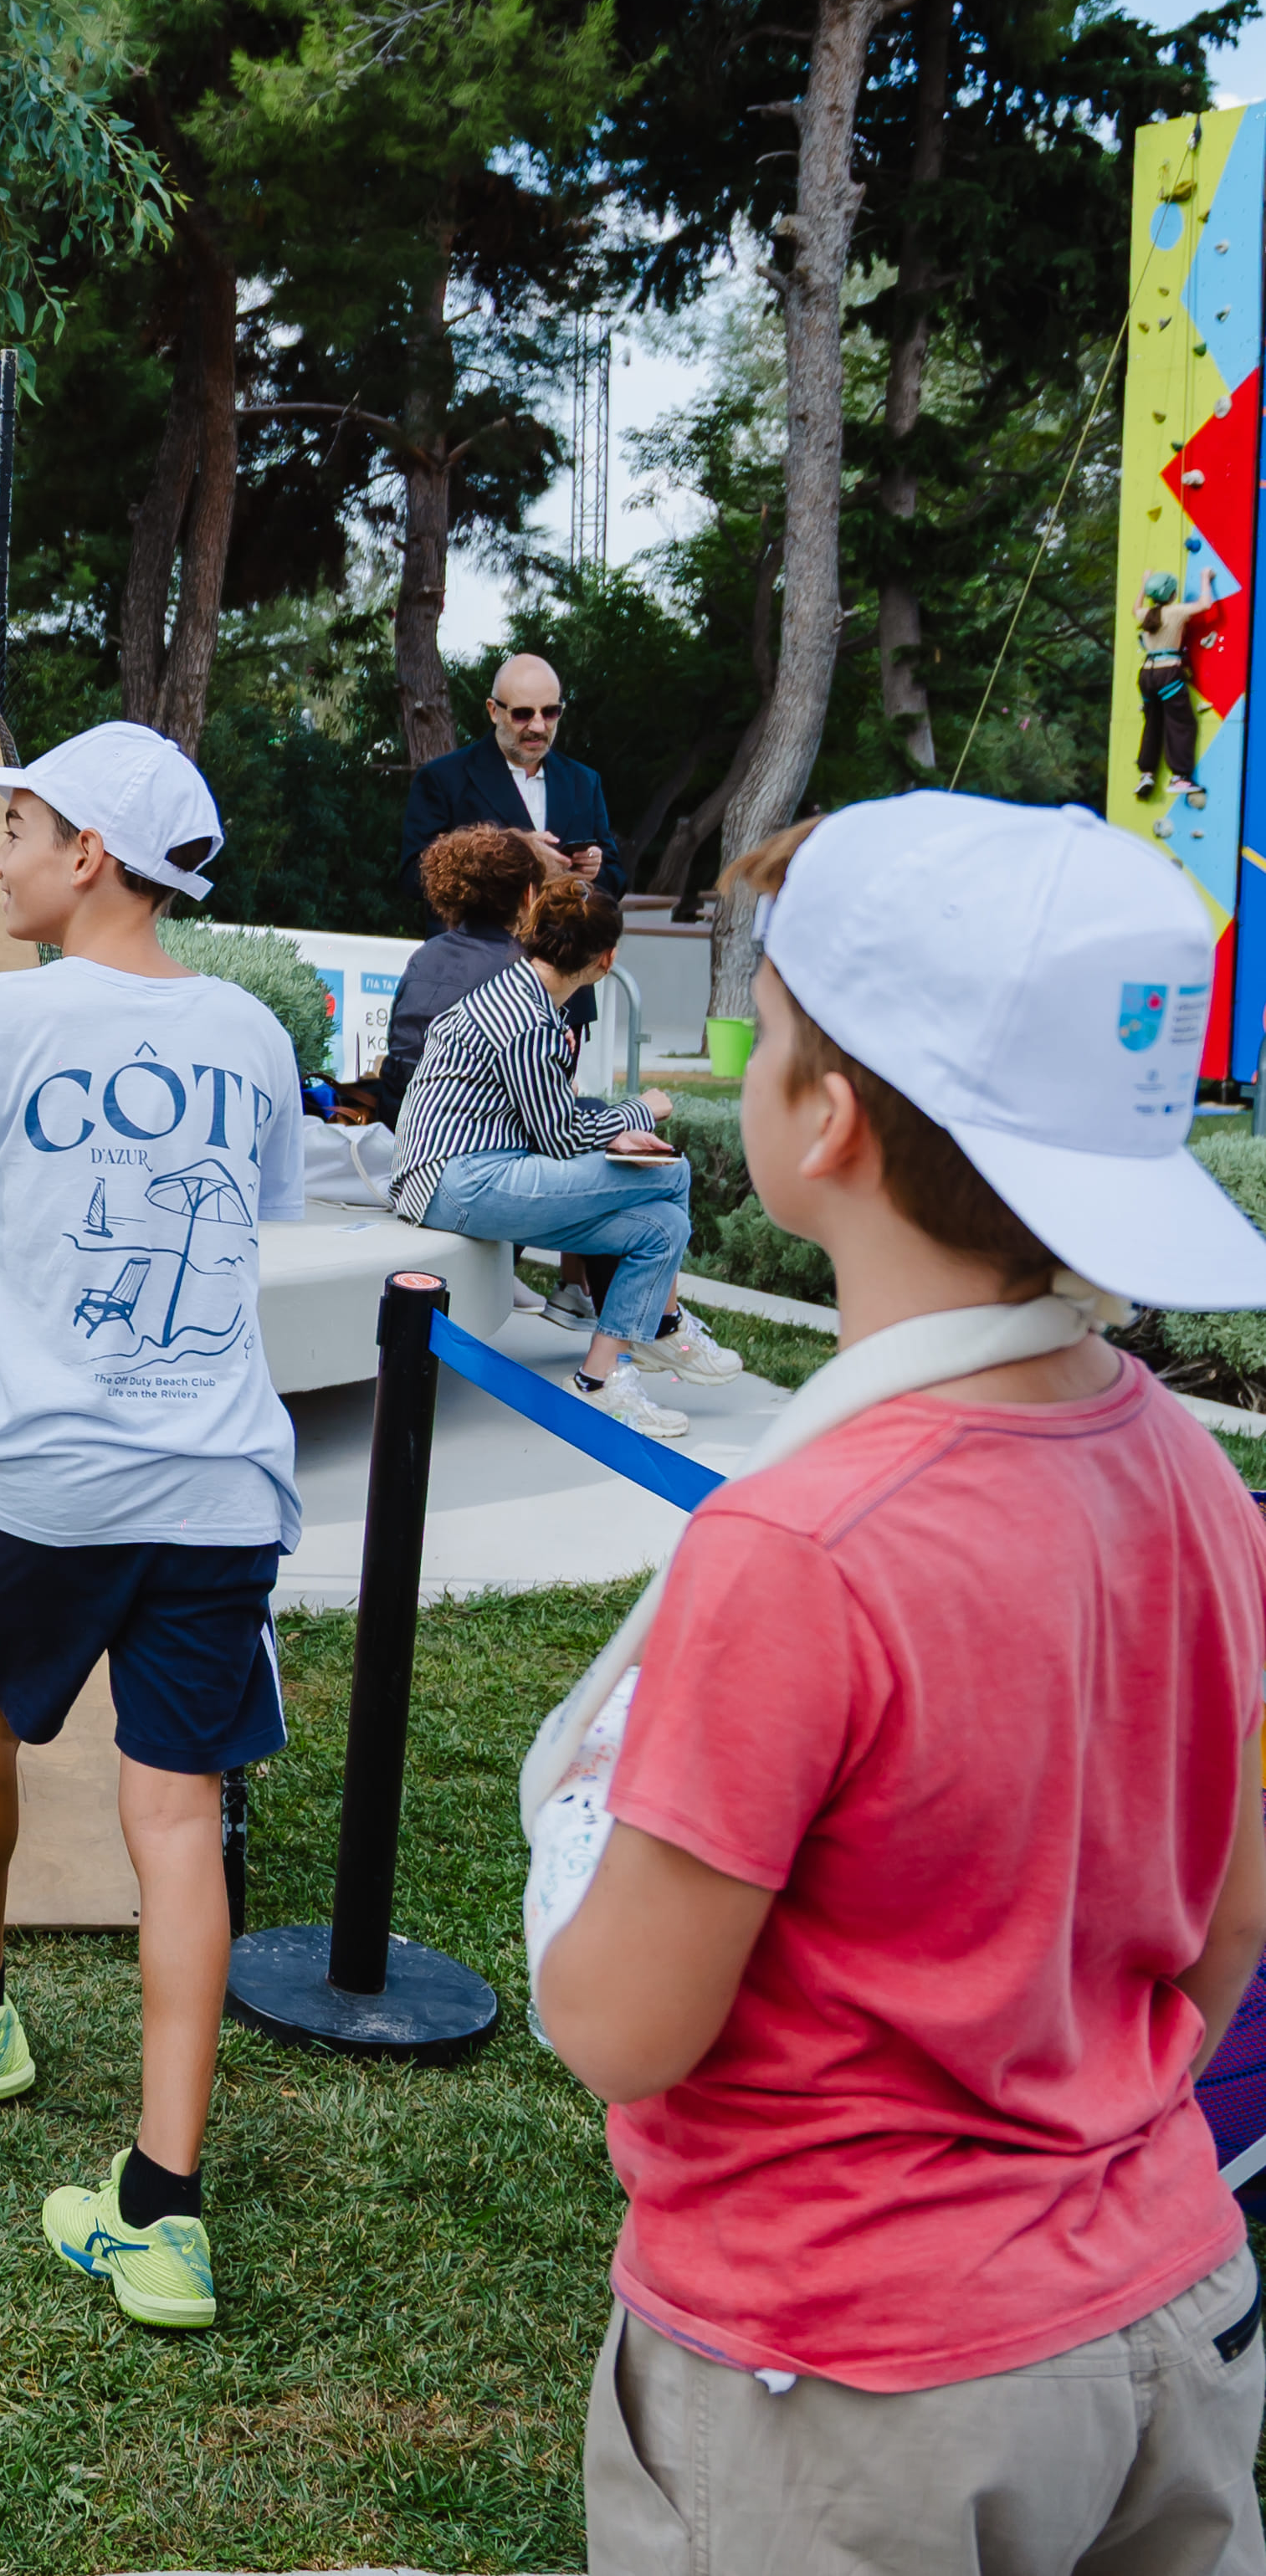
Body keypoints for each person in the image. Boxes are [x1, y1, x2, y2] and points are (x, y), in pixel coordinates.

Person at [533, 791, 1266, 2576]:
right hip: (1163, 2303)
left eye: (763, 1027)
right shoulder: (1198, 1479)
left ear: (825, 1118)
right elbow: (1228, 1925)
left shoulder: (798, 1546)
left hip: (850, 2390)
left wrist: (575, 1849)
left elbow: (621, 2029)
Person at [0, 719, 300, 2332]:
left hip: (47, 1477)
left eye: (15, 828)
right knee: (175, 1822)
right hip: (217, 1483)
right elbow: (242, 1224)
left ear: (88, 855)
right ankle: (160, 2211)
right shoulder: (245, 1031)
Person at [392, 877, 740, 1436]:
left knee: (663, 1227)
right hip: (458, 1181)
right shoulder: (529, 1020)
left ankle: (600, 1378)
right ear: (607, 960)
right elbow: (559, 1138)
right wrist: (639, 1112)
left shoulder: (516, 993)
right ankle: (664, 1325)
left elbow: (547, 1122)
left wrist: (609, 1134)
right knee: (673, 1171)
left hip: (458, 1176)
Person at [401, 653, 624, 908]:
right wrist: (511, 855)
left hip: (561, 934)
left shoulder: (584, 781)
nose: (538, 726)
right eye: (523, 714)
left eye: (550, 712)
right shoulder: (443, 779)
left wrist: (595, 871)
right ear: (493, 711)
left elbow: (616, 880)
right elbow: (414, 878)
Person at [377, 821, 550, 1124]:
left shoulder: (425, 955)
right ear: (529, 895)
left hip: (398, 1118)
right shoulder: (521, 970)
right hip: (465, 1129)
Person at [1140, 572, 1212, 811]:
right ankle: (1179, 777)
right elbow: (1205, 605)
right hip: (1168, 673)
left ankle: (1147, 773)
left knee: (1152, 723)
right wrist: (1205, 577)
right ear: (1172, 594)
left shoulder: (1145, 614)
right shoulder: (1176, 611)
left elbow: (1135, 609)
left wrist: (1143, 584)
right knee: (1181, 724)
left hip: (1146, 674)